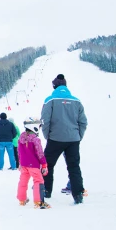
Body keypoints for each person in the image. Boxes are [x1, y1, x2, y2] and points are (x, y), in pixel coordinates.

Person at [41, 74, 88, 204]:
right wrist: (78, 137)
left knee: (47, 165)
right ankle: (78, 194)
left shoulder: (50, 100)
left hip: (55, 138)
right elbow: (83, 122)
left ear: (54, 86)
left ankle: (46, 190)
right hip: (73, 139)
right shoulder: (76, 101)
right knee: (74, 166)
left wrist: (47, 136)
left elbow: (45, 121)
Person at [16, 119, 50, 208]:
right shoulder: (35, 140)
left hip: (24, 165)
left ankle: (22, 199)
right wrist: (44, 164)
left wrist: (20, 162)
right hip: (33, 165)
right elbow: (40, 153)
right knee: (38, 181)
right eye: (38, 126)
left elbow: (19, 151)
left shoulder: (20, 139)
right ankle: (39, 201)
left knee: (23, 181)